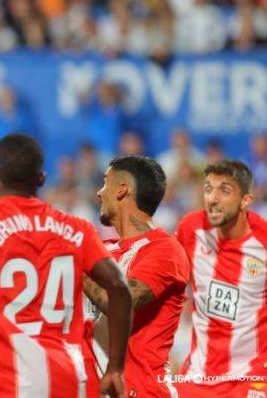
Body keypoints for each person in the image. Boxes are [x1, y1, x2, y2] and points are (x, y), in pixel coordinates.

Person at [0, 133, 132, 398]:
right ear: (41, 179)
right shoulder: (77, 229)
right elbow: (120, 287)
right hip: (72, 379)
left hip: (8, 378)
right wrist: (115, 367)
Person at [83, 155, 190, 397]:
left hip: (141, 391)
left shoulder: (165, 250)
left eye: (105, 182)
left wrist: (77, 266)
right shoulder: (104, 249)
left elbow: (120, 302)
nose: (99, 193)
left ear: (122, 189)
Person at [174, 160, 267, 398]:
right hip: (197, 378)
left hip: (252, 382)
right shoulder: (191, 229)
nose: (212, 198)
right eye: (208, 188)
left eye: (224, 190)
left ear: (246, 201)